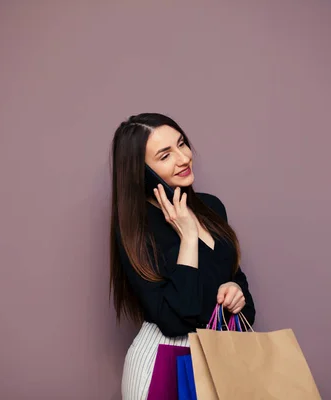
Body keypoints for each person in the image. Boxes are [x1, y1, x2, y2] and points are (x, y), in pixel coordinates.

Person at [109, 113, 256, 399]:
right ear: (142, 171)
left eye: (182, 144)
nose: (184, 158)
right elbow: (176, 320)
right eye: (165, 156)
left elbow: (237, 285)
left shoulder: (211, 207)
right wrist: (188, 237)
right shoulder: (137, 230)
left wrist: (236, 291)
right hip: (162, 361)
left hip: (217, 355)